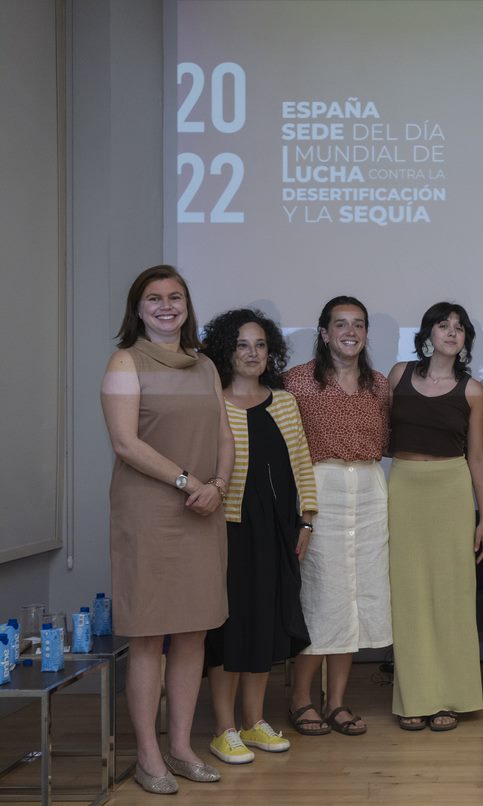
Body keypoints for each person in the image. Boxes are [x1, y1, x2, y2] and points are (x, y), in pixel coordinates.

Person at [101, 265, 233, 794]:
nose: (165, 305)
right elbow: (125, 443)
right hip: (150, 513)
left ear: (187, 306)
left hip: (204, 507)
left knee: (194, 631)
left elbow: (224, 432)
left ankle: (180, 747)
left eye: (174, 296)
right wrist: (187, 482)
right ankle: (148, 755)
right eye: (153, 298)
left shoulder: (204, 366)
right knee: (149, 636)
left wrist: (218, 485)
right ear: (137, 309)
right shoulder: (124, 362)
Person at [200, 309, 318, 764]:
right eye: (242, 345)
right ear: (227, 350)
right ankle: (223, 729)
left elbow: (302, 463)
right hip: (224, 529)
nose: (252, 354)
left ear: (271, 352)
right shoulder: (213, 402)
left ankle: (254, 722)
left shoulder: (285, 402)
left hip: (276, 528)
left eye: (260, 345)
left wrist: (306, 519)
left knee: (266, 624)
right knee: (230, 628)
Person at [283, 296, 392, 737]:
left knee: (354, 599)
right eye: (340, 324)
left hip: (368, 491)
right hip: (317, 490)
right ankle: (300, 699)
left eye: (359, 324)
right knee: (320, 597)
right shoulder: (296, 383)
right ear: (324, 332)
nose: (350, 331)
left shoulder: (379, 386)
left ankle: (338, 703)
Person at [387, 302, 483, 732]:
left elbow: (478, 457)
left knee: (452, 596)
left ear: (466, 339)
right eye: (442, 324)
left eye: (459, 327)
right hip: (404, 487)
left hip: (451, 489)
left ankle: (450, 697)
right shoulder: (397, 374)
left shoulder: (472, 391)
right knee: (408, 596)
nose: (451, 332)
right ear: (428, 332)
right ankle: (415, 697)